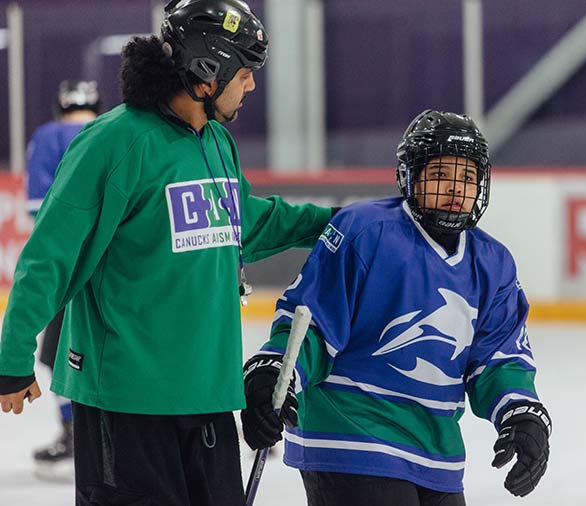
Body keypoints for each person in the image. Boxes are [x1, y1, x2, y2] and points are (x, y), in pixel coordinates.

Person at [0, 1, 333, 505]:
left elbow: (245, 222)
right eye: (244, 72)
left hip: (210, 396)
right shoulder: (112, 143)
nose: (251, 85)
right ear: (207, 72)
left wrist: (338, 222)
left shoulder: (216, 140)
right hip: (126, 402)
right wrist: (12, 355)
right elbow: (50, 255)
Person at [242, 110, 552, 505]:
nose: (456, 190)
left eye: (468, 178)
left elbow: (498, 357)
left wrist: (520, 412)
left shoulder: (493, 262)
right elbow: (313, 325)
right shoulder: (365, 231)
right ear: (410, 177)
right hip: (351, 439)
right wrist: (274, 371)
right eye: (441, 176)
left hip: (435, 453)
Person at [25, 79, 101, 480]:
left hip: (69, 269)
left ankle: (76, 433)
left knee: (59, 354)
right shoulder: (114, 128)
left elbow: (40, 209)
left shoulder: (48, 136)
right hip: (116, 268)